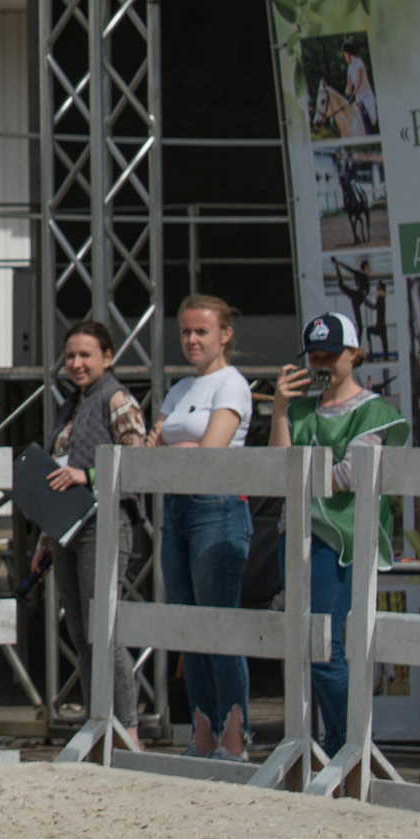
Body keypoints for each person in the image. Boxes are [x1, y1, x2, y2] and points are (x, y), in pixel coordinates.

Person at [270, 311, 409, 759]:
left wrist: (302, 471)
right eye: (314, 355)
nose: (322, 363)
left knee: (324, 650)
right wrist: (278, 409)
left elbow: (347, 476)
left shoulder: (374, 411)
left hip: (340, 542)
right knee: (305, 646)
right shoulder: (301, 409)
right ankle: (336, 746)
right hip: (295, 536)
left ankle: (350, 746)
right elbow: (279, 469)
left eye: (330, 355)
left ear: (355, 354)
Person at [31, 320, 151, 740]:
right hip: (68, 528)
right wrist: (47, 535)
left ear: (107, 357)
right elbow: (60, 474)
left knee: (105, 627)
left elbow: (138, 459)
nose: (77, 363)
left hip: (105, 521)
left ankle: (128, 729)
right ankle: (99, 723)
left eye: (86, 355)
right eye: (71, 356)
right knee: (80, 631)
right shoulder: (73, 403)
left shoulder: (116, 397)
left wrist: (90, 474)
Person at [152, 293, 256, 760]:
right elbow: (151, 447)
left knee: (220, 626)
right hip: (176, 508)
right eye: (186, 332)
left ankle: (235, 740)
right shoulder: (179, 390)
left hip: (217, 505)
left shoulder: (232, 385)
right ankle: (203, 734)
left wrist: (171, 452)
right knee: (186, 627)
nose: (192, 340)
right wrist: (174, 452)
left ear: (225, 335)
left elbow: (213, 451)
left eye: (202, 332)